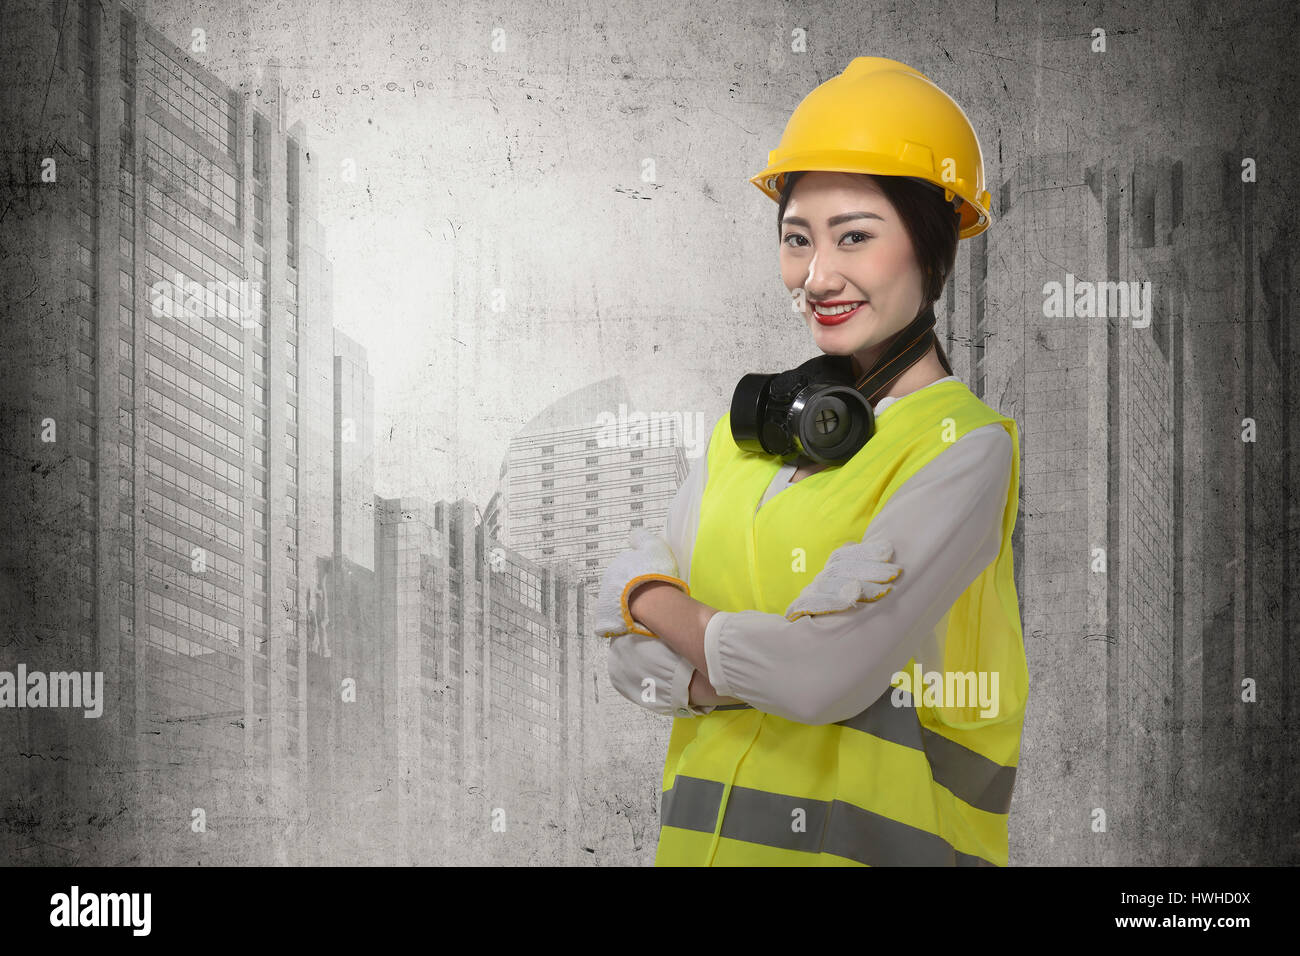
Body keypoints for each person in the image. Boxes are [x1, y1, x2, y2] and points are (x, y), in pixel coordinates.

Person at [597, 57, 1027, 866]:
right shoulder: (744, 436)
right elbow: (624, 668)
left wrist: (650, 599)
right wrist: (747, 660)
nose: (817, 277)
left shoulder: (965, 449)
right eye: (798, 241)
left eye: (855, 237)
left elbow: (820, 677)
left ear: (932, 250)